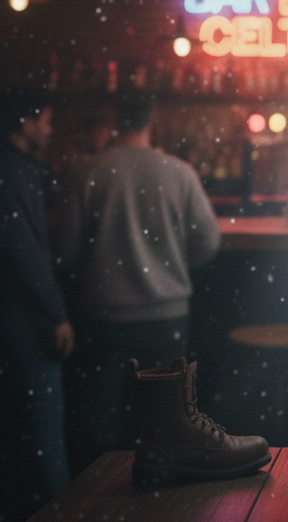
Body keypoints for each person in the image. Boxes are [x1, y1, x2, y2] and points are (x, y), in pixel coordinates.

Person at [54, 90, 221, 470]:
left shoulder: (88, 171)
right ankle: (163, 502)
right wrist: (173, 266)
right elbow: (208, 241)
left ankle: (103, 504)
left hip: (103, 318)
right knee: (166, 425)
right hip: (166, 317)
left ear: (115, 120)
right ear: (153, 120)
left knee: (101, 427)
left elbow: (63, 252)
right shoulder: (179, 172)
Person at [0, 88, 73, 521]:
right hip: (20, 311)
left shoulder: (16, 168)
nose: (49, 128)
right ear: (25, 124)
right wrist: (57, 313)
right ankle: (59, 509)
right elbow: (24, 247)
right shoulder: (14, 171)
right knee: (42, 416)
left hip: (15, 306)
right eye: (44, 120)